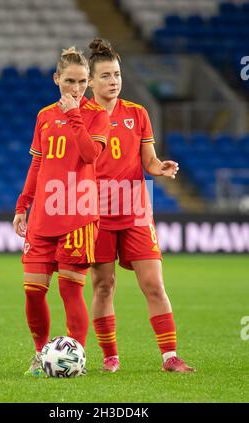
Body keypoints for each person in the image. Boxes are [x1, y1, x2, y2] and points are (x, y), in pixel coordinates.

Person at [88, 38, 195, 373]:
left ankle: (170, 357)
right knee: (104, 285)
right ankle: (110, 357)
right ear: (90, 81)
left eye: (116, 74)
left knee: (154, 284)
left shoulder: (137, 113)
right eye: (105, 76)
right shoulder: (81, 118)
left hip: (135, 210)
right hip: (96, 214)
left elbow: (148, 160)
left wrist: (158, 167)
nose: (113, 81)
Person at [13, 46, 109, 376]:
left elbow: (88, 156)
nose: (77, 89)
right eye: (70, 81)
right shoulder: (43, 116)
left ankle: (76, 360)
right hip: (43, 215)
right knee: (32, 291)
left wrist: (73, 115)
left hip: (79, 214)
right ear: (57, 79)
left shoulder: (97, 115)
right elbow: (37, 163)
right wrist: (22, 205)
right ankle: (41, 356)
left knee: (70, 290)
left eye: (83, 82)